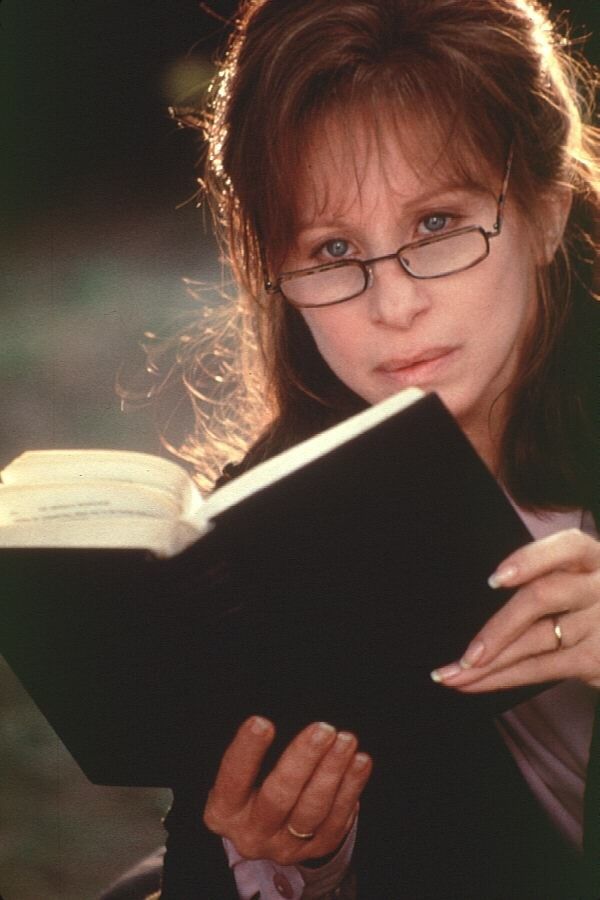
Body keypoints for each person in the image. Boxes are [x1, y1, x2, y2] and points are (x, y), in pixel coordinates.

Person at [102, 0, 599, 896]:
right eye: (334, 248)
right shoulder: (266, 521)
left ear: (548, 214)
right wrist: (291, 863)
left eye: (438, 225)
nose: (394, 304)